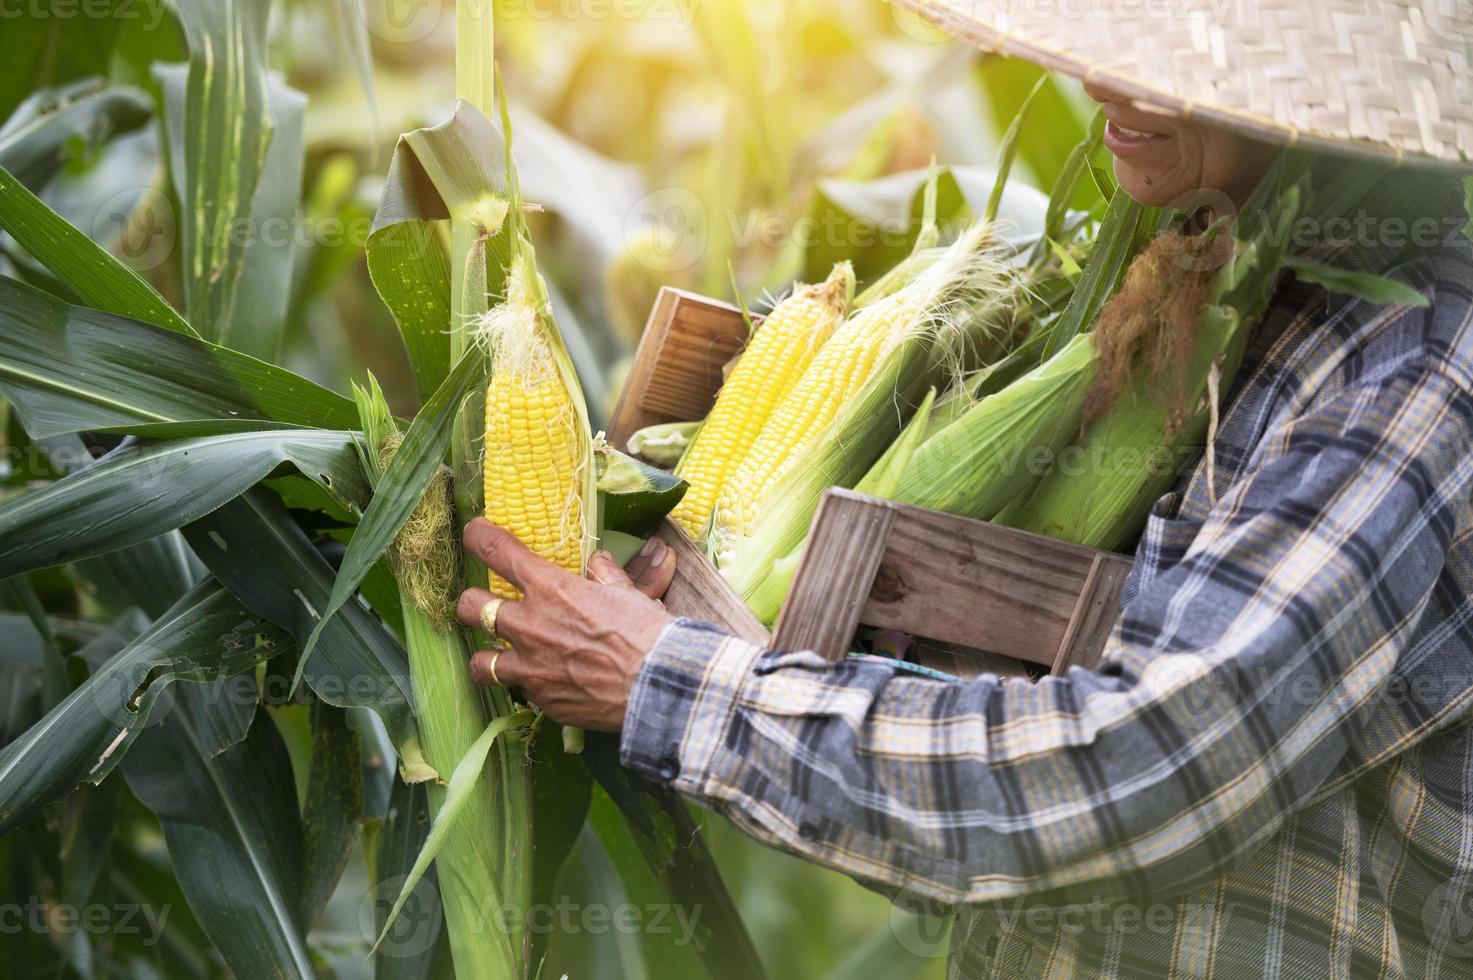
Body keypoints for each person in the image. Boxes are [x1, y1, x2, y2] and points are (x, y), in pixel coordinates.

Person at [456, 2, 1473, 976]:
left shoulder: (1407, 370)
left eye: (1177, 59)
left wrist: (664, 682)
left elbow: (1146, 766)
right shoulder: (1191, 259)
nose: (1102, 75)